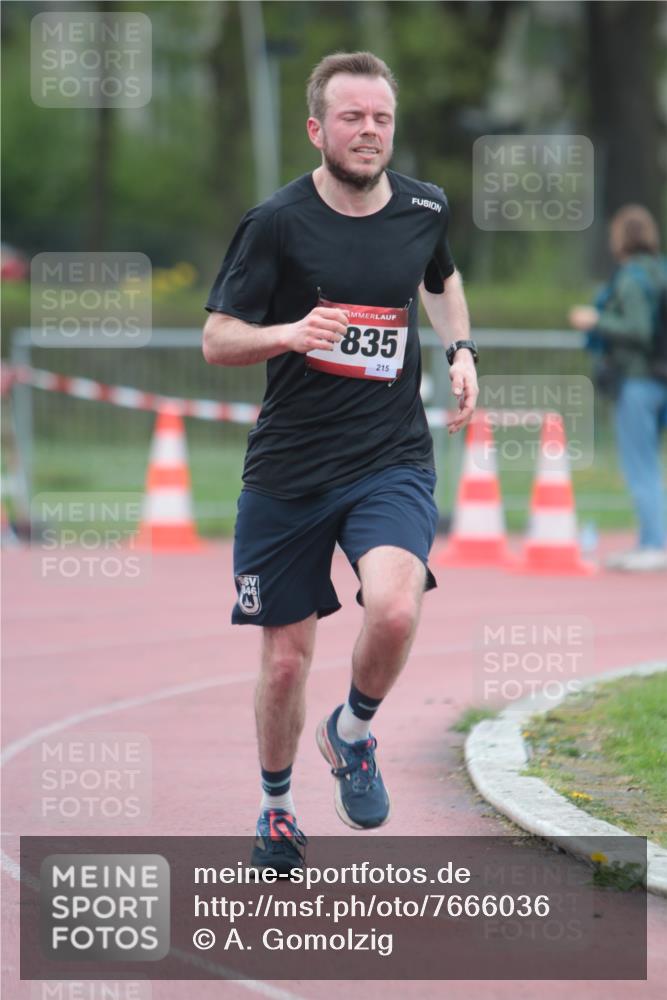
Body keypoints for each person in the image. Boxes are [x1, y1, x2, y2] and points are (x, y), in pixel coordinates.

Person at [203, 51, 478, 870]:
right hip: (288, 472)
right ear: (317, 129)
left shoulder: (424, 205)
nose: (369, 131)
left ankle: (351, 732)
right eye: (352, 117)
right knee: (287, 660)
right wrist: (289, 333)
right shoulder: (275, 222)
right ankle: (276, 806)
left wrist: (460, 350)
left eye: (381, 118)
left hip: (389, 458)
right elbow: (217, 339)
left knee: (392, 609)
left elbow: (440, 280)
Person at [569, 204, 667, 572]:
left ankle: (654, 544)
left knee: (641, 466)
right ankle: (650, 540)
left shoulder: (631, 278)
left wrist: (597, 320)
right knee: (649, 464)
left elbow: (638, 330)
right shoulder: (659, 271)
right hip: (659, 379)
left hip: (639, 381)